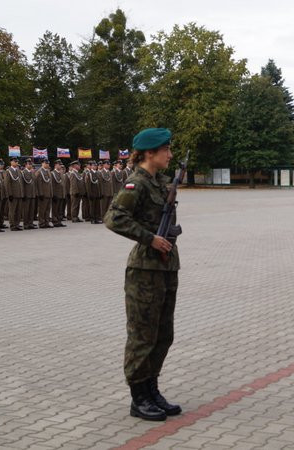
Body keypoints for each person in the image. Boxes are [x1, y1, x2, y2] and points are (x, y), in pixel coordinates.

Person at [104, 128, 182, 422]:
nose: (170, 155)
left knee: (163, 333)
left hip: (166, 266)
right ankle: (139, 397)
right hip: (145, 270)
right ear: (150, 153)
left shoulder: (161, 183)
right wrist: (149, 238)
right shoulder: (136, 184)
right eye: (166, 150)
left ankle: (152, 388)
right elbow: (113, 218)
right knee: (142, 335)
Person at [4, 157, 23, 231]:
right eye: (15, 161)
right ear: (11, 162)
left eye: (17, 161)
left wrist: (22, 193)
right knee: (12, 210)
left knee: (18, 211)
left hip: (19, 194)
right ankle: (12, 225)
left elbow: (20, 183)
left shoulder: (18, 171)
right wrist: (9, 194)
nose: (16, 163)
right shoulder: (8, 171)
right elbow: (7, 184)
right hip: (13, 195)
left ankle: (17, 224)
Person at [34, 158, 53, 228]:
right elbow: (38, 184)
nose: (47, 164)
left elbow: (50, 184)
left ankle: (46, 222)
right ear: (42, 163)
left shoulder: (48, 171)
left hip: (49, 194)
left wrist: (51, 193)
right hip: (43, 194)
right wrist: (40, 193)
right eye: (46, 163)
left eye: (48, 163)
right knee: (42, 209)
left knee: (47, 209)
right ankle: (41, 223)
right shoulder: (39, 172)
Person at [21, 158, 38, 229]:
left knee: (31, 210)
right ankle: (26, 224)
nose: (30, 165)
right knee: (26, 210)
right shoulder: (23, 172)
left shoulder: (32, 172)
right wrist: (23, 194)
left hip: (32, 194)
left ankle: (30, 223)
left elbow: (34, 183)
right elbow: (22, 184)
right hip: (26, 194)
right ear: (25, 164)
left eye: (31, 164)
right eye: (29, 164)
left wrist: (35, 193)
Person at [51, 160, 66, 227]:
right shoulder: (52, 173)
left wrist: (63, 193)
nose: (60, 166)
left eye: (61, 165)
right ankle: (55, 221)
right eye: (59, 165)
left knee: (60, 209)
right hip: (56, 194)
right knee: (55, 209)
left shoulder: (61, 173)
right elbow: (52, 185)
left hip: (61, 194)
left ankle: (59, 221)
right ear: (56, 165)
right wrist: (53, 194)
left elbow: (62, 185)